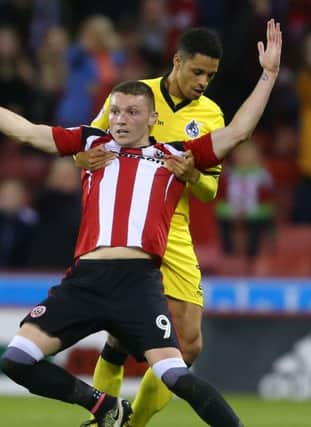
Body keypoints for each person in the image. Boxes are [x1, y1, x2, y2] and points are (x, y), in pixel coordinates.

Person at [0, 18, 281, 427]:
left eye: (131, 112)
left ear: (151, 120)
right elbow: (27, 132)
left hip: (138, 280)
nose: (119, 119)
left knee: (178, 370)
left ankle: (137, 420)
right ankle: (105, 408)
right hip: (85, 278)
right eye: (115, 111)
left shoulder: (174, 156)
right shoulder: (91, 145)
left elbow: (239, 133)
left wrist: (269, 74)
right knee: (16, 359)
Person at [80, 27, 226, 426]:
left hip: (174, 227)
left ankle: (132, 422)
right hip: (128, 223)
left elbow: (210, 190)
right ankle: (105, 421)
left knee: (190, 345)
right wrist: (84, 160)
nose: (202, 82)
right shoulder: (134, 96)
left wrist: (192, 176)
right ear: (177, 61)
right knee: (119, 338)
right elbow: (90, 147)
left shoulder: (211, 115)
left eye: (210, 76)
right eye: (197, 72)